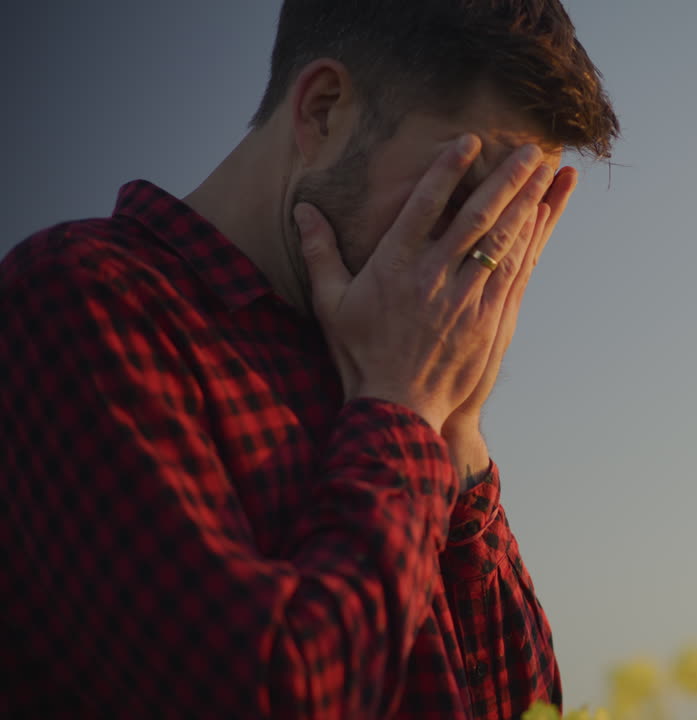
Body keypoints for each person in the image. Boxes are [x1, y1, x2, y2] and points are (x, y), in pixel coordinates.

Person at [0, 1, 618, 718]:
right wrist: (402, 408)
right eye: (461, 191)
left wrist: (460, 439)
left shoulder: (375, 349)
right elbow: (269, 696)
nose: (483, 256)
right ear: (323, 111)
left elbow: (523, 707)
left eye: (516, 210)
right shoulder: (79, 298)